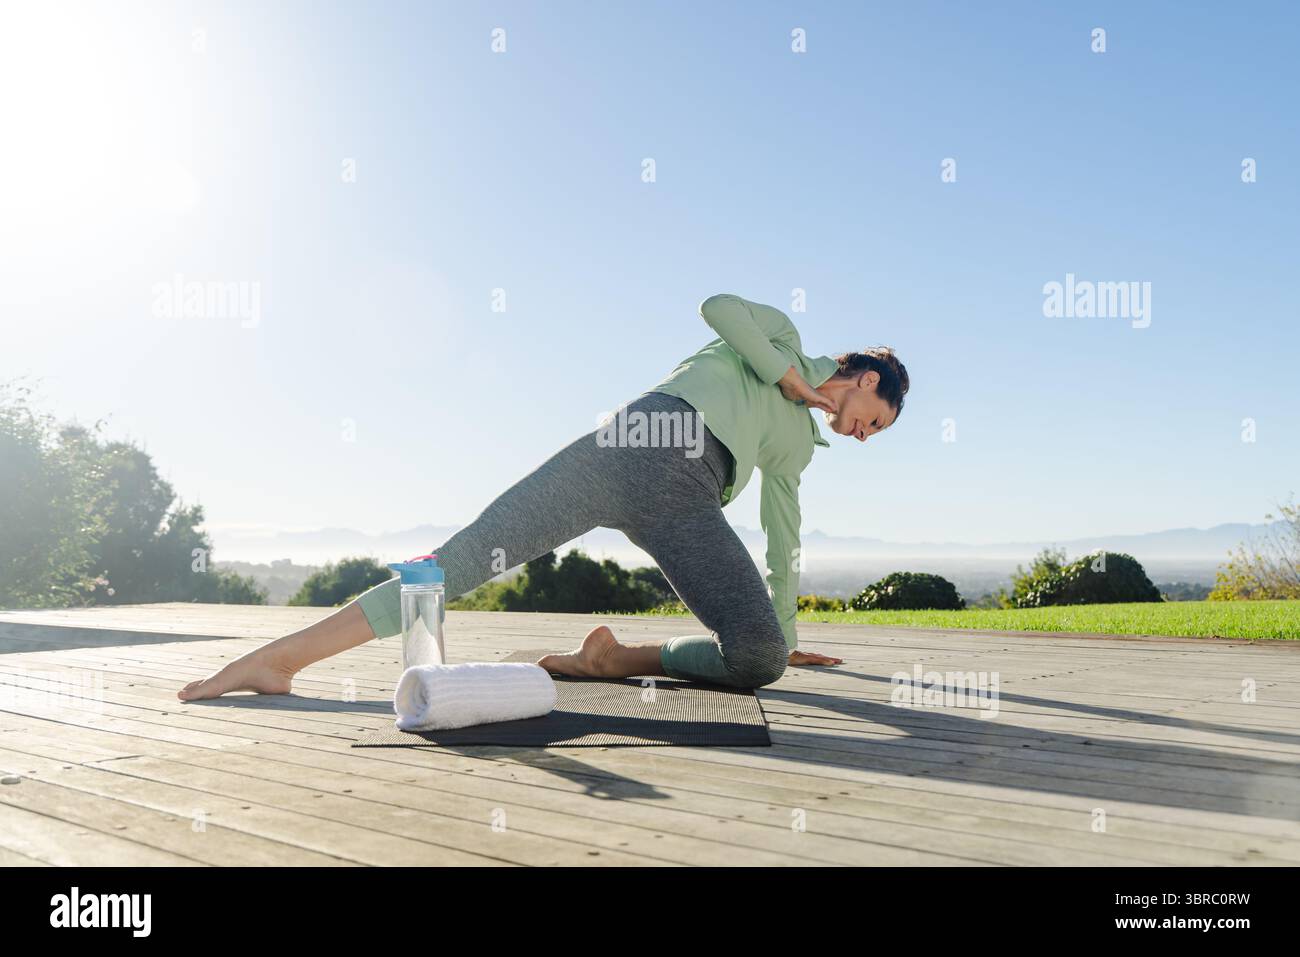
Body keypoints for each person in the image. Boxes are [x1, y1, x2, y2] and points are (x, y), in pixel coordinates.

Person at [178, 293, 908, 700]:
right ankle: (278, 660)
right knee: (458, 561)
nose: (864, 436)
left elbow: (785, 538)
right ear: (868, 379)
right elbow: (719, 308)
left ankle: (608, 658)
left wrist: (786, 634)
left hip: (687, 501)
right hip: (629, 445)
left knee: (759, 658)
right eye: (874, 422)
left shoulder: (799, 444)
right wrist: (787, 376)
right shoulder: (780, 335)